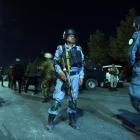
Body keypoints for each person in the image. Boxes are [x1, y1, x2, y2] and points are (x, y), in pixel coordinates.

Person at [47, 29, 84, 131]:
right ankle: (50, 122)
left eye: (73, 36)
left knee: (73, 100)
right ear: (65, 37)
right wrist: (60, 72)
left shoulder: (79, 49)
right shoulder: (60, 48)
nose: (72, 37)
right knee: (57, 100)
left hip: (76, 76)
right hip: (64, 76)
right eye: (69, 36)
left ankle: (72, 121)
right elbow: (56, 63)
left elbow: (82, 65)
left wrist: (81, 76)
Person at [128, 16, 140, 113]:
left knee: (135, 97)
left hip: (139, 68)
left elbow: (131, 53)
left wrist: (131, 66)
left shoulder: (137, 34)